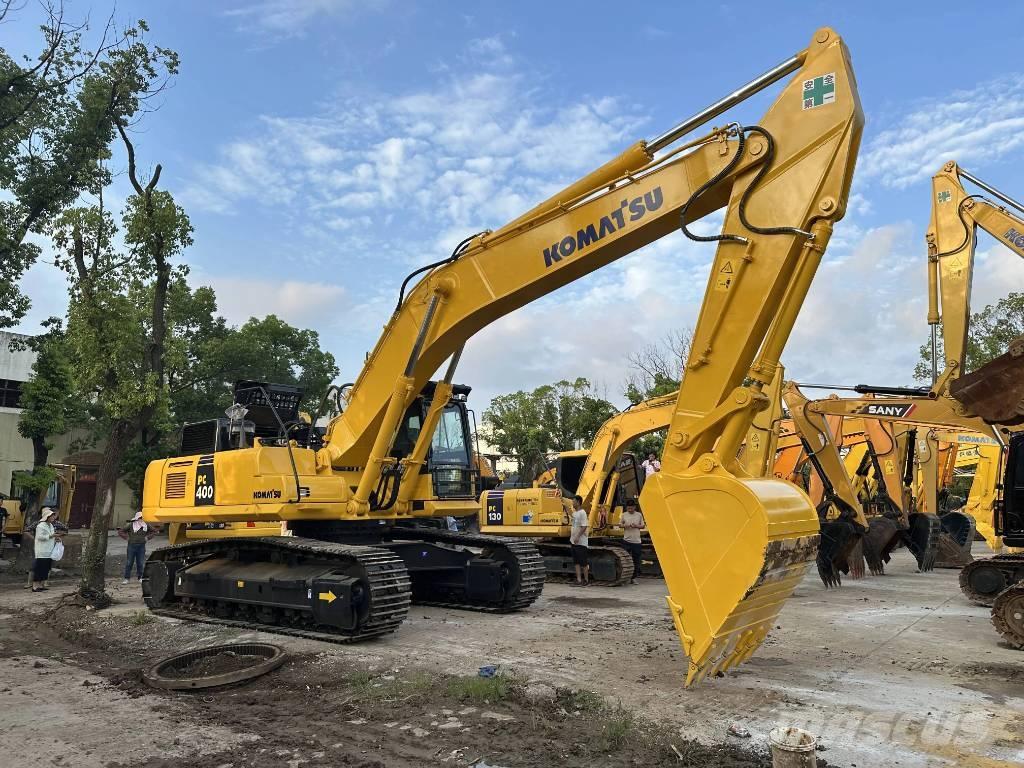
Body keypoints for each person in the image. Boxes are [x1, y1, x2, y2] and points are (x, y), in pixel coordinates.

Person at [118, 512, 154, 584]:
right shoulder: (131, 525)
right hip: (131, 546)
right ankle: (126, 578)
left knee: (140, 562)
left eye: (142, 518)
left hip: (141, 546)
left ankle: (140, 577)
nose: (141, 519)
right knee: (129, 562)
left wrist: (148, 537)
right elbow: (121, 531)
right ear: (137, 518)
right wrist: (127, 538)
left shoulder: (146, 525)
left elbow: (154, 531)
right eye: (140, 518)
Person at [32, 508, 61, 593]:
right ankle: (34, 586)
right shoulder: (40, 526)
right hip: (41, 551)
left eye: (53, 516)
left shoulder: (51, 525)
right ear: (47, 517)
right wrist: (51, 536)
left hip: (49, 550)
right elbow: (39, 537)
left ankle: (41, 585)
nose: (53, 517)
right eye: (51, 516)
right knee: (39, 568)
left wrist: (56, 539)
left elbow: (51, 536)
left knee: (46, 569)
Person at [620, 500, 645, 584]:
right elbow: (620, 525)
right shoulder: (624, 514)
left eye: (631, 508)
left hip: (636, 541)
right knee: (625, 560)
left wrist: (636, 526)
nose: (630, 509)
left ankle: (633, 578)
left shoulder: (639, 515)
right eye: (628, 508)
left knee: (636, 560)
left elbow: (642, 525)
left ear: (634, 507)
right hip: (626, 540)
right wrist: (625, 525)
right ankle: (625, 577)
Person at [569, 494, 590, 586]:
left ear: (578, 502)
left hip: (581, 542)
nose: (572, 503)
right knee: (576, 562)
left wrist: (577, 536)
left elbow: (584, 526)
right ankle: (578, 580)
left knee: (583, 562)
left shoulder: (582, 513)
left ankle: (586, 580)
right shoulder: (574, 513)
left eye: (573, 501)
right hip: (573, 542)